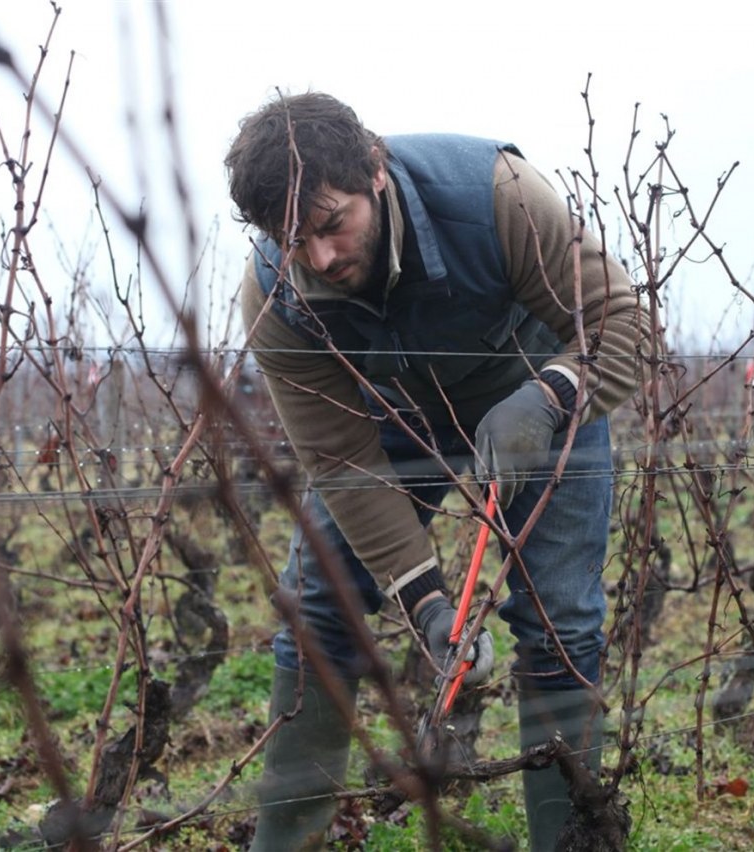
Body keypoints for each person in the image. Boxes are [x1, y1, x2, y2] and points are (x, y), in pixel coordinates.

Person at [225, 91, 647, 851]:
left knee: (561, 621)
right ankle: (288, 842)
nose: (320, 257)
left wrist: (550, 398)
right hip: (390, 416)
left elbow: (620, 324)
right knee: (320, 609)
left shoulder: (499, 197)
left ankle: (570, 839)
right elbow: (340, 461)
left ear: (376, 175)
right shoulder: (276, 300)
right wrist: (423, 599)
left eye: (331, 225)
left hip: (539, 390)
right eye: (293, 240)